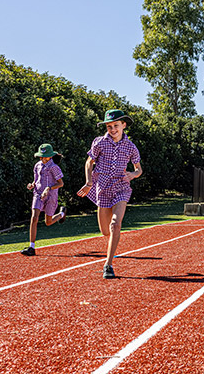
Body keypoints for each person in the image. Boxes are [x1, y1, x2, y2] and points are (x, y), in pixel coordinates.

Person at [77, 109, 142, 279]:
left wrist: (133, 174)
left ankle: (108, 265)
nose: (113, 129)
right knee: (105, 231)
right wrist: (89, 182)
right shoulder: (99, 143)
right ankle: (113, 242)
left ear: (124, 125)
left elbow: (138, 169)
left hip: (121, 187)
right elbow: (89, 162)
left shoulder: (131, 147)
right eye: (109, 126)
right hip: (102, 188)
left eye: (116, 126)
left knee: (115, 224)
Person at [21, 144, 66, 256]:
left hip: (51, 196)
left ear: (50, 156)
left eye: (44, 156)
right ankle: (31, 247)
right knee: (34, 217)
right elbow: (36, 179)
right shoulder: (37, 166)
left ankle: (61, 214)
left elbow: (61, 183)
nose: (42, 158)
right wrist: (32, 184)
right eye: (41, 156)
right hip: (38, 194)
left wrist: (48, 188)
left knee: (48, 222)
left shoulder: (54, 167)